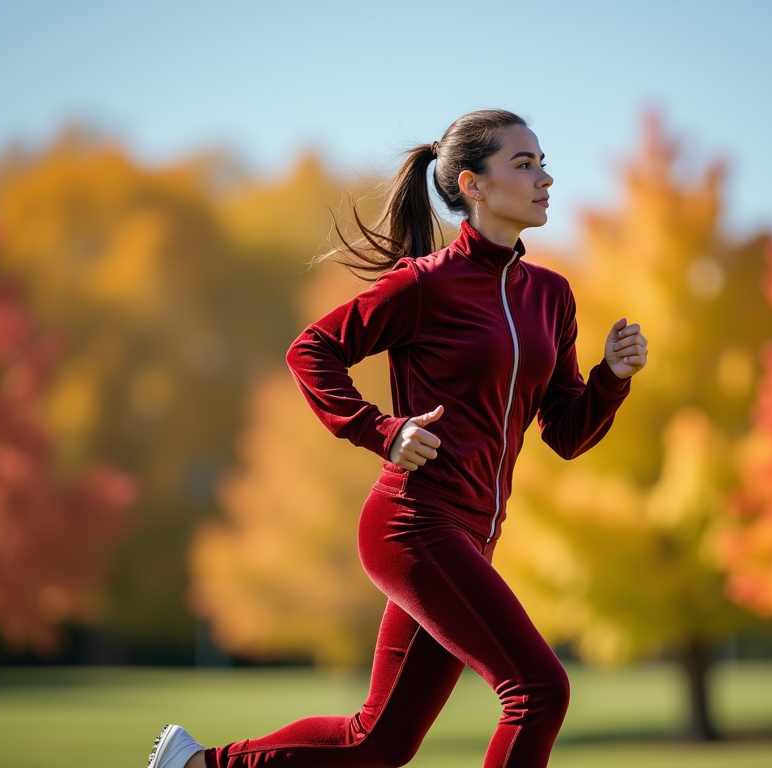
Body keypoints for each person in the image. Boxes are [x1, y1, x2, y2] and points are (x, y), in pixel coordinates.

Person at [148, 108, 647, 768]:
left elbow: (565, 432)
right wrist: (382, 431)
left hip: (471, 537)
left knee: (377, 742)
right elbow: (312, 349)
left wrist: (610, 377)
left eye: (543, 162)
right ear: (472, 184)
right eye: (524, 165)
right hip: (413, 524)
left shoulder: (550, 297)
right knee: (539, 691)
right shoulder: (425, 285)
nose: (545, 178)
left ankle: (196, 765)